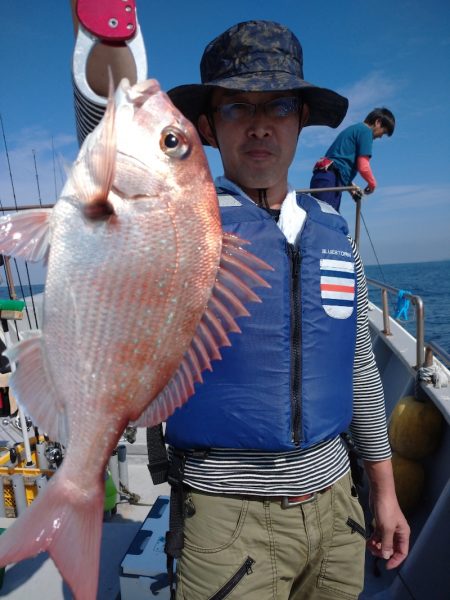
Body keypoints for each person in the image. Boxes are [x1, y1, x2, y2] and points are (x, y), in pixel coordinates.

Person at [70, 9, 409, 599]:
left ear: (302, 119)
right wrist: (106, 34)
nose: (259, 126)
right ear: (208, 124)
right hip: (226, 523)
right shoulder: (176, 219)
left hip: (338, 513)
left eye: (277, 106)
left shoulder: (332, 230)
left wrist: (383, 491)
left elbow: (358, 370)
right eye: (237, 107)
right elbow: (111, 138)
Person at [310, 108, 395, 211]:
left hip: (323, 177)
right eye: (383, 132)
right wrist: (372, 184)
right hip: (330, 180)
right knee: (327, 221)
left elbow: (337, 165)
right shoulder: (366, 132)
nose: (381, 136)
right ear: (378, 122)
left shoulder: (354, 129)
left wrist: (351, 190)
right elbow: (363, 166)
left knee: (324, 221)